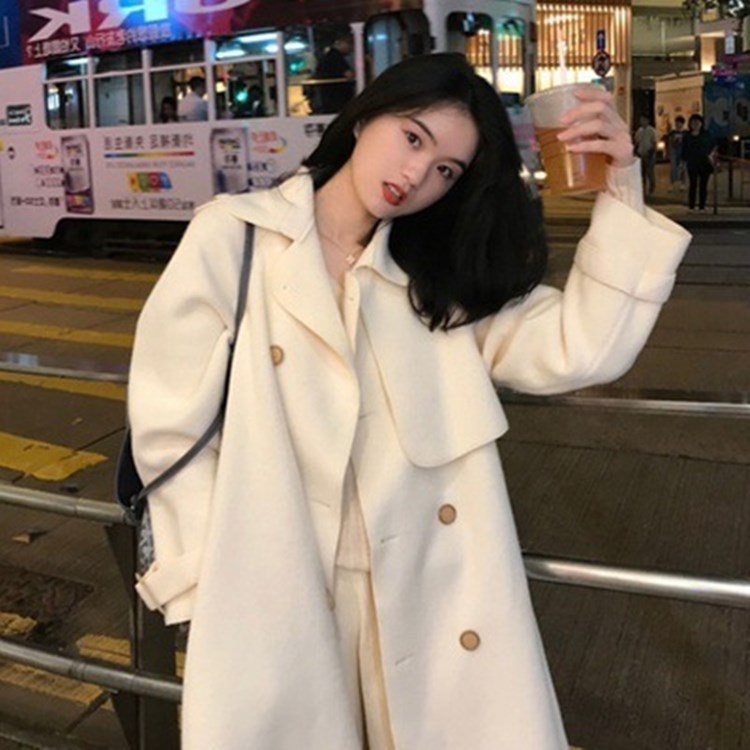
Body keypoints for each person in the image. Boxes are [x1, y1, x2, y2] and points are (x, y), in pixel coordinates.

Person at [128, 54, 691, 749]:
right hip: (279, 587)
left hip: (425, 595)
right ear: (367, 116)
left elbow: (582, 348)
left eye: (447, 170)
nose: (417, 174)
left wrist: (621, 181)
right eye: (413, 137)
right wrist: (201, 588)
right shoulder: (236, 236)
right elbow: (168, 421)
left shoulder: (439, 279)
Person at [313, 32, 356, 114]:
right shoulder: (335, 57)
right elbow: (349, 74)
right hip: (337, 97)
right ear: (340, 42)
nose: (351, 48)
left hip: (328, 96)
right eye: (349, 44)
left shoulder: (329, 56)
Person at [682, 113, 716, 212]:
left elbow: (713, 145)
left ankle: (702, 206)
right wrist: (683, 162)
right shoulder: (687, 136)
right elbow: (684, 149)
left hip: (704, 162)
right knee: (692, 185)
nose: (695, 124)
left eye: (697, 122)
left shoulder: (706, 134)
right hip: (692, 163)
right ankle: (691, 206)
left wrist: (711, 155)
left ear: (701, 123)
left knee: (703, 185)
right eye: (693, 122)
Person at [633, 114, 658, 195]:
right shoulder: (639, 131)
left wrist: (652, 152)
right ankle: (643, 187)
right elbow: (637, 142)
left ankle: (652, 186)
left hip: (649, 153)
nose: (642, 122)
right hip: (641, 153)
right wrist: (635, 151)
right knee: (641, 172)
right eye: (641, 120)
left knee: (649, 171)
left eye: (644, 120)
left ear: (647, 121)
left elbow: (654, 142)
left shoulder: (652, 131)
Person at [666, 115, 686, 191]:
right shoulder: (672, 133)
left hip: (683, 153)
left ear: (682, 124)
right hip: (674, 153)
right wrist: (668, 152)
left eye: (680, 123)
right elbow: (669, 143)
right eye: (677, 123)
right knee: (673, 169)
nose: (678, 124)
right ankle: (671, 184)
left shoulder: (685, 133)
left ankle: (683, 184)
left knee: (683, 169)